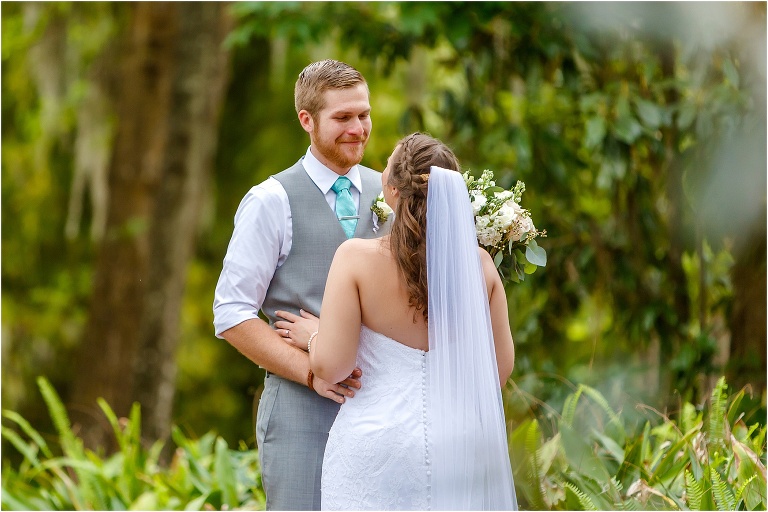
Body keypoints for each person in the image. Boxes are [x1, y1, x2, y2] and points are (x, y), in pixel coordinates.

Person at [306, 132, 519, 510]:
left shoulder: (355, 258)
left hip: (374, 450)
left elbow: (332, 366)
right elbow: (496, 374)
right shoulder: (481, 267)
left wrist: (313, 338)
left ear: (391, 190)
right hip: (459, 450)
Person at [212, 59, 390, 511]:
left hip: (385, 413)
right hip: (300, 417)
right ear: (306, 120)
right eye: (343, 118)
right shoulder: (270, 201)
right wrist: (311, 373)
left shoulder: (392, 194)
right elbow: (231, 313)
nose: (358, 128)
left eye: (364, 114)